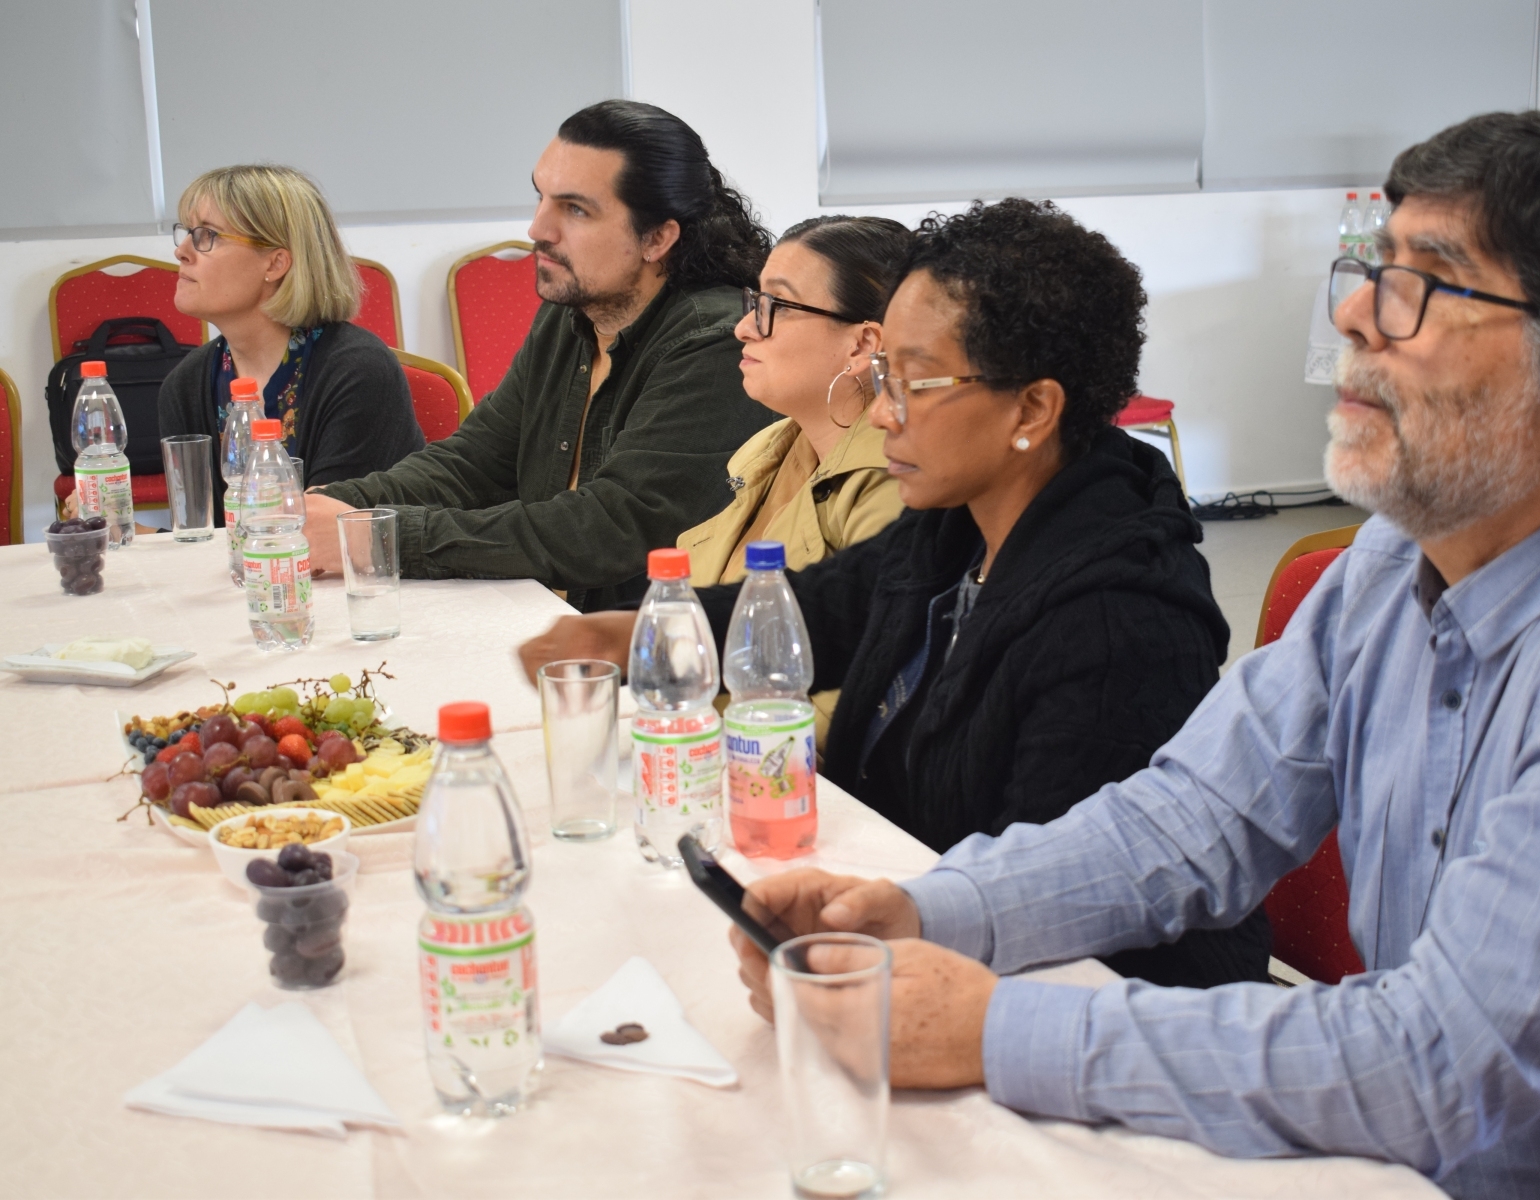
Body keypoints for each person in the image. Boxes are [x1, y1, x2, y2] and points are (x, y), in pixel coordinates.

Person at [724, 113, 1540, 1193]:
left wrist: (994, 1029)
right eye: (1373, 269)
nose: (1354, 313)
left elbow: (1438, 1064)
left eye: (1426, 286)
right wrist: (928, 909)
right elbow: (1194, 818)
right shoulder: (1399, 555)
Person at [521, 199, 1267, 990]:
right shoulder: (960, 521)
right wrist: (637, 635)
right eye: (884, 377)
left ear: (1032, 409)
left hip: (1082, 1005)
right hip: (918, 928)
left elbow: (1057, 915)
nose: (881, 412)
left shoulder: (1119, 624)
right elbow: (828, 609)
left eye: (913, 383)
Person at [305, 100, 778, 610]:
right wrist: (332, 508)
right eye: (542, 197)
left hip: (644, 638)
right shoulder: (570, 315)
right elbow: (473, 463)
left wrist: (379, 538)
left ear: (657, 238)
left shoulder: (716, 340)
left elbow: (609, 528)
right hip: (545, 614)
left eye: (575, 210)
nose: (537, 229)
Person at [155, 165, 423, 521]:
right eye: (187, 233)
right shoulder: (185, 384)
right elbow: (200, 536)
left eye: (208, 235)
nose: (182, 251)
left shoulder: (358, 371)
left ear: (276, 263)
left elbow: (332, 533)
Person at [677, 215, 910, 588]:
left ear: (862, 345)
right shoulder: (768, 452)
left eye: (779, 306)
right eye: (757, 301)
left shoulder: (897, 482)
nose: (743, 328)